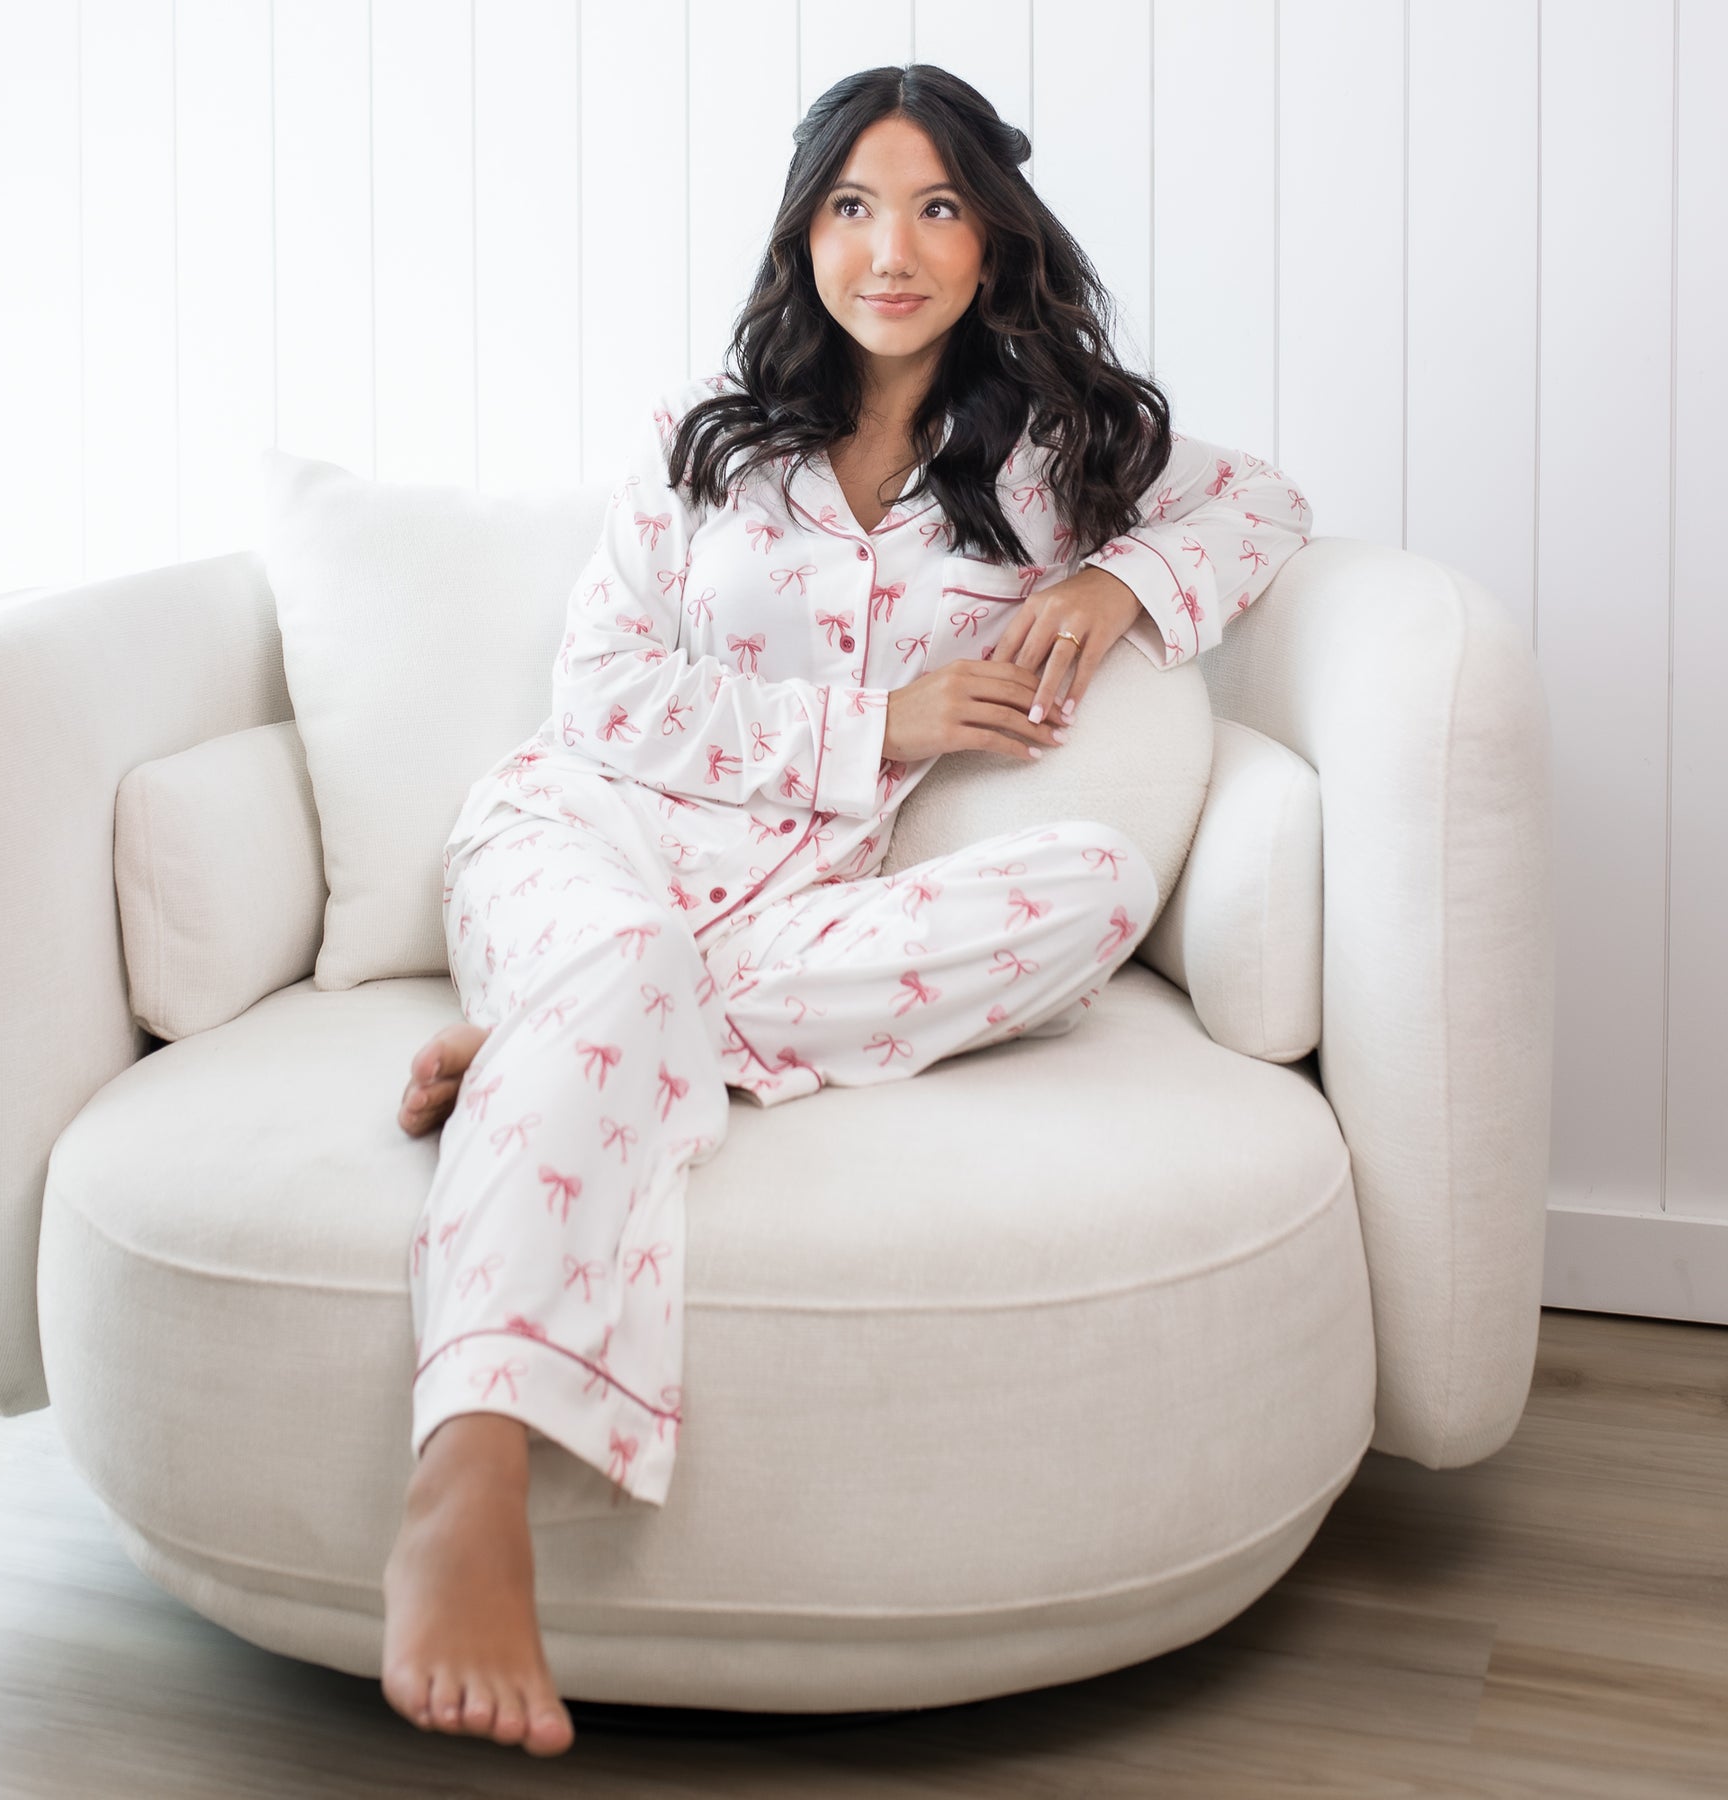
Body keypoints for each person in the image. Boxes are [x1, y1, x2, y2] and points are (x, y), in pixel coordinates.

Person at [377, 64, 1314, 1759]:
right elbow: (600, 694)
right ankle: (470, 1471)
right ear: (805, 231)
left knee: (1094, 885)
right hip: (584, 838)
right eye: (854, 207)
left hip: (780, 922)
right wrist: (875, 725)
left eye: (937, 208)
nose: (892, 250)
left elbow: (1263, 504)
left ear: (993, 239)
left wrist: (1118, 582)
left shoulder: (1058, 459)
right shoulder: (708, 438)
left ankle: (564, 1040)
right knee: (619, 949)